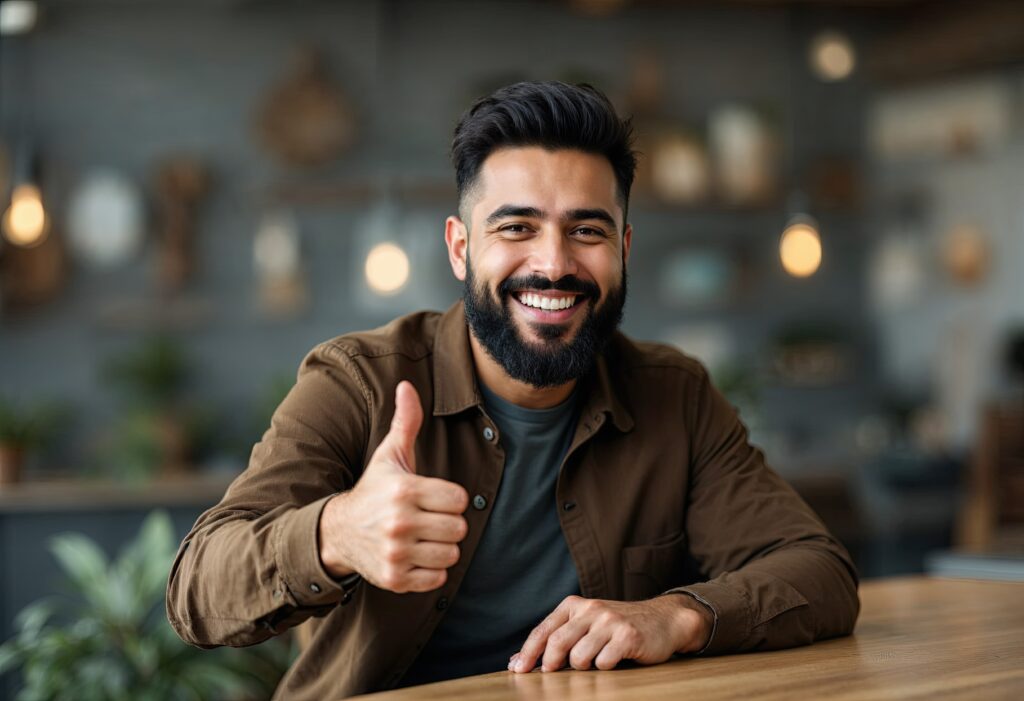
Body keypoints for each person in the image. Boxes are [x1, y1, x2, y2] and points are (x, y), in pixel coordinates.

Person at [166, 81, 859, 700]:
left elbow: (819, 573)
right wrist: (338, 533)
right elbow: (197, 590)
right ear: (461, 247)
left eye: (586, 230)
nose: (553, 264)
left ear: (623, 247)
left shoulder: (673, 395)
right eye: (517, 227)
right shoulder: (359, 382)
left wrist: (675, 615)